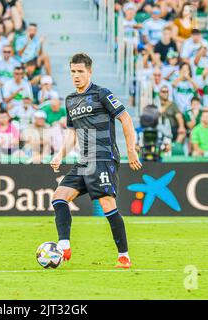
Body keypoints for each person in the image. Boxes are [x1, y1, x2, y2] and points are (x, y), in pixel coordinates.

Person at [49, 53, 141, 269]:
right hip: (84, 160)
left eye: (80, 71)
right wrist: (60, 155)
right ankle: (64, 246)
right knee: (59, 197)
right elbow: (72, 133)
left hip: (103, 157)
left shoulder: (102, 94)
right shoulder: (70, 100)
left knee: (107, 203)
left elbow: (125, 118)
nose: (76, 76)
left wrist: (131, 150)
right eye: (73, 71)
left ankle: (124, 256)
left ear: (89, 72)